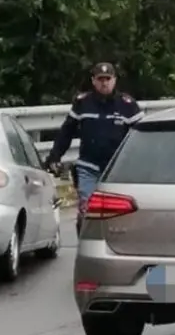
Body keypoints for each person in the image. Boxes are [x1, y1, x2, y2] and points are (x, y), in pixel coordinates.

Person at [44, 62, 141, 230]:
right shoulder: (83, 103)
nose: (104, 83)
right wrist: (55, 156)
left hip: (117, 169)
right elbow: (67, 131)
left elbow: (140, 138)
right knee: (87, 211)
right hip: (88, 167)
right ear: (93, 81)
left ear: (114, 80)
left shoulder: (127, 105)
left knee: (118, 213)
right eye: (100, 79)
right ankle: (85, 244)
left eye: (107, 79)